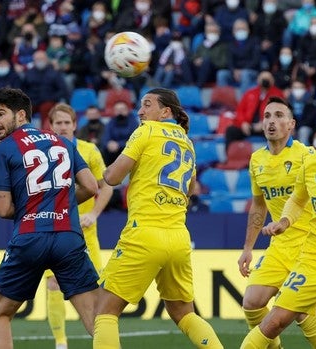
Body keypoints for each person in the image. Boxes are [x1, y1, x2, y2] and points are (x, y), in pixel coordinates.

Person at [93, 88, 223, 349]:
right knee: (184, 313)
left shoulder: (146, 131)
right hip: (178, 237)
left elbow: (115, 177)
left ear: (166, 112)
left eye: (147, 105)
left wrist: (100, 176)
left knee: (104, 312)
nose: (140, 111)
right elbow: (190, 189)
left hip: (145, 233)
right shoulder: (187, 142)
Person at [0, 87, 101, 349]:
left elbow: (2, 209)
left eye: (1, 114)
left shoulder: (4, 149)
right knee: (98, 319)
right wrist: (60, 203)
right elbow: (91, 187)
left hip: (29, 238)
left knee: (0, 315)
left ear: (21, 114)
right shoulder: (63, 142)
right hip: (68, 237)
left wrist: (33, 207)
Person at [240, 104, 316, 348]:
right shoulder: (263, 160)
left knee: (301, 311)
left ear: (292, 124)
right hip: (303, 253)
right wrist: (278, 225)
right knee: (258, 307)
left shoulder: (305, 155)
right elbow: (284, 201)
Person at [46, 102, 113, 349]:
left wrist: (94, 213)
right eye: (58, 123)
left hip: (86, 233)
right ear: (50, 127)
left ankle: (100, 340)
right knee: (53, 283)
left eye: (67, 122)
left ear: (75, 125)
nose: (63, 127)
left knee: (95, 289)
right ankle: (61, 343)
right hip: (53, 231)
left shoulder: (89, 150)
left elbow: (106, 185)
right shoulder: (44, 153)